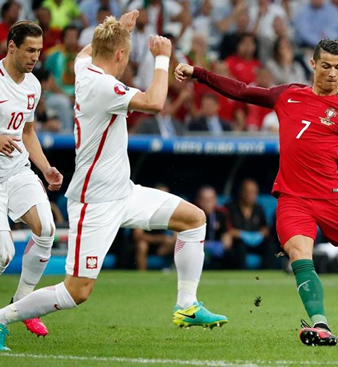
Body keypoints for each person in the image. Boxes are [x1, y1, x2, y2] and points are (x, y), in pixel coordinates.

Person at [175, 38, 338, 346]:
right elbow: (241, 90)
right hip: (293, 199)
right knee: (298, 253)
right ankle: (320, 325)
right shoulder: (287, 95)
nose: (333, 73)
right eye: (326, 66)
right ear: (313, 64)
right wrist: (198, 73)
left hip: (334, 201)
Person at [0, 11, 227, 352]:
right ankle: (3, 317)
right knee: (77, 292)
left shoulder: (84, 67)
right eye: (127, 51)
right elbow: (154, 102)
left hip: (124, 192)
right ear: (120, 55)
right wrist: (162, 59)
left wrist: (120, 28)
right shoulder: (102, 85)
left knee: (194, 220)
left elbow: (84, 53)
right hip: (95, 203)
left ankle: (187, 306)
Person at [0, 20, 63, 339]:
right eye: (29, 50)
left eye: (39, 50)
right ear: (11, 46)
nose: (35, 56)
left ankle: (21, 304)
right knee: (2, 253)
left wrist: (46, 167)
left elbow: (27, 132)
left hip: (18, 171)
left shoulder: (33, 86)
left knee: (47, 230)